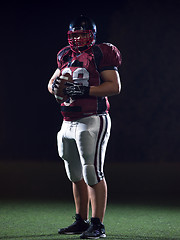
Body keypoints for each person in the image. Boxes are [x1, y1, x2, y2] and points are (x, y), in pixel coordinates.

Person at [48, 15, 122, 239]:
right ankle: (81, 220)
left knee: (92, 172)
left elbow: (115, 86)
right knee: (74, 173)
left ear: (92, 35)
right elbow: (52, 83)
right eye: (75, 34)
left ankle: (98, 225)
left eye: (83, 34)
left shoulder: (100, 53)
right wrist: (56, 87)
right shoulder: (65, 56)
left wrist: (84, 91)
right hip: (68, 121)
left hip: (92, 118)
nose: (78, 38)